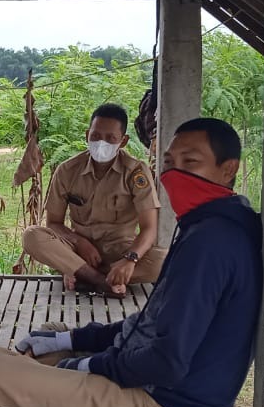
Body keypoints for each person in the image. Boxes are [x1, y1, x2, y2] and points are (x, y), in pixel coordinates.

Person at [0, 117, 263, 407]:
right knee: (52, 334)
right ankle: (44, 387)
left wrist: (87, 366)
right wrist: (73, 340)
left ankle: (39, 403)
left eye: (190, 162)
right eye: (168, 162)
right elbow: (153, 324)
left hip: (163, 403)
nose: (174, 173)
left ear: (228, 169)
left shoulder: (210, 243)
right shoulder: (211, 225)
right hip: (146, 370)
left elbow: (167, 362)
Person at [21, 103, 165, 297]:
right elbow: (53, 223)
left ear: (123, 141)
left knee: (168, 260)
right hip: (77, 252)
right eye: (95, 136)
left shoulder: (135, 172)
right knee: (32, 235)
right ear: (87, 134)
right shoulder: (67, 170)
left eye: (110, 138)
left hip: (120, 251)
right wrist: (79, 242)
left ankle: (85, 276)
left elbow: (149, 228)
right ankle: (101, 281)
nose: (101, 143)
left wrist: (130, 260)